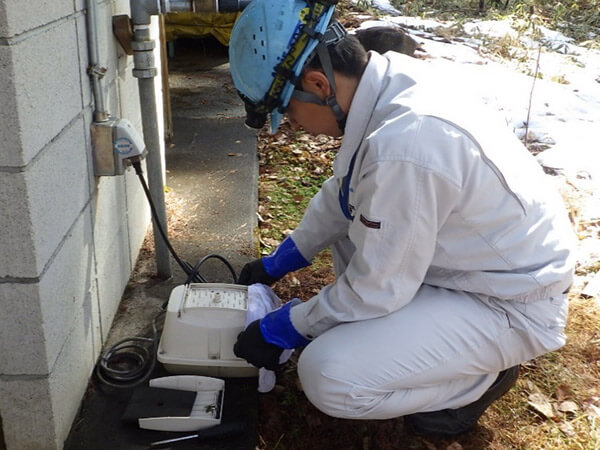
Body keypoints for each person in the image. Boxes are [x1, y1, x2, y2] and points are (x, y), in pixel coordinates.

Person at [228, 0, 575, 437]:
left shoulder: (407, 144)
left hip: (509, 301)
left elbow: (378, 287)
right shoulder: (390, 79)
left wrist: (290, 326)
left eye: (291, 114)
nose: (297, 127)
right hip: (477, 262)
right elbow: (345, 192)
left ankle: (475, 380)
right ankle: (422, 346)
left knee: (327, 375)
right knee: (355, 236)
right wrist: (287, 256)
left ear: (318, 84)